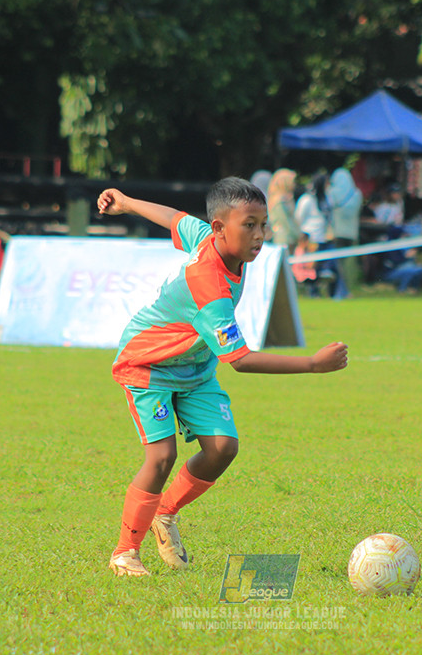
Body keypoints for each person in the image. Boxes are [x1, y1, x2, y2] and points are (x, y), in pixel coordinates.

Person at [96, 178, 349, 577]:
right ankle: (125, 553)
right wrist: (313, 365)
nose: (260, 235)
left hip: (194, 368)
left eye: (263, 224)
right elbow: (242, 360)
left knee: (223, 448)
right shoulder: (209, 284)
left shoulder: (208, 236)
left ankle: (165, 513)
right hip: (150, 365)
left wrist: (126, 202)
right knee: (161, 457)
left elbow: (174, 218)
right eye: (249, 225)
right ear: (221, 228)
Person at [326, 167, 363, 300]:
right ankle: (342, 289)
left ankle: (342, 291)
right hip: (352, 234)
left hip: (336, 233)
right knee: (344, 265)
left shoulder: (332, 192)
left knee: (337, 264)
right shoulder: (357, 193)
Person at [266, 168, 301, 250]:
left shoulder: (283, 199)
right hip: (285, 239)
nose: (294, 184)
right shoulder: (280, 201)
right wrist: (298, 235)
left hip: (288, 238)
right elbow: (285, 221)